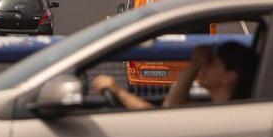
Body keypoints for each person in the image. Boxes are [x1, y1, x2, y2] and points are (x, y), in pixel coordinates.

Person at [90, 42, 256, 111]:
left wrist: (119, 92)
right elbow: (171, 107)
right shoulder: (227, 108)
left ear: (228, 77)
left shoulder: (221, 115)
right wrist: (195, 64)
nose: (203, 65)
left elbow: (160, 120)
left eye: (211, 62)